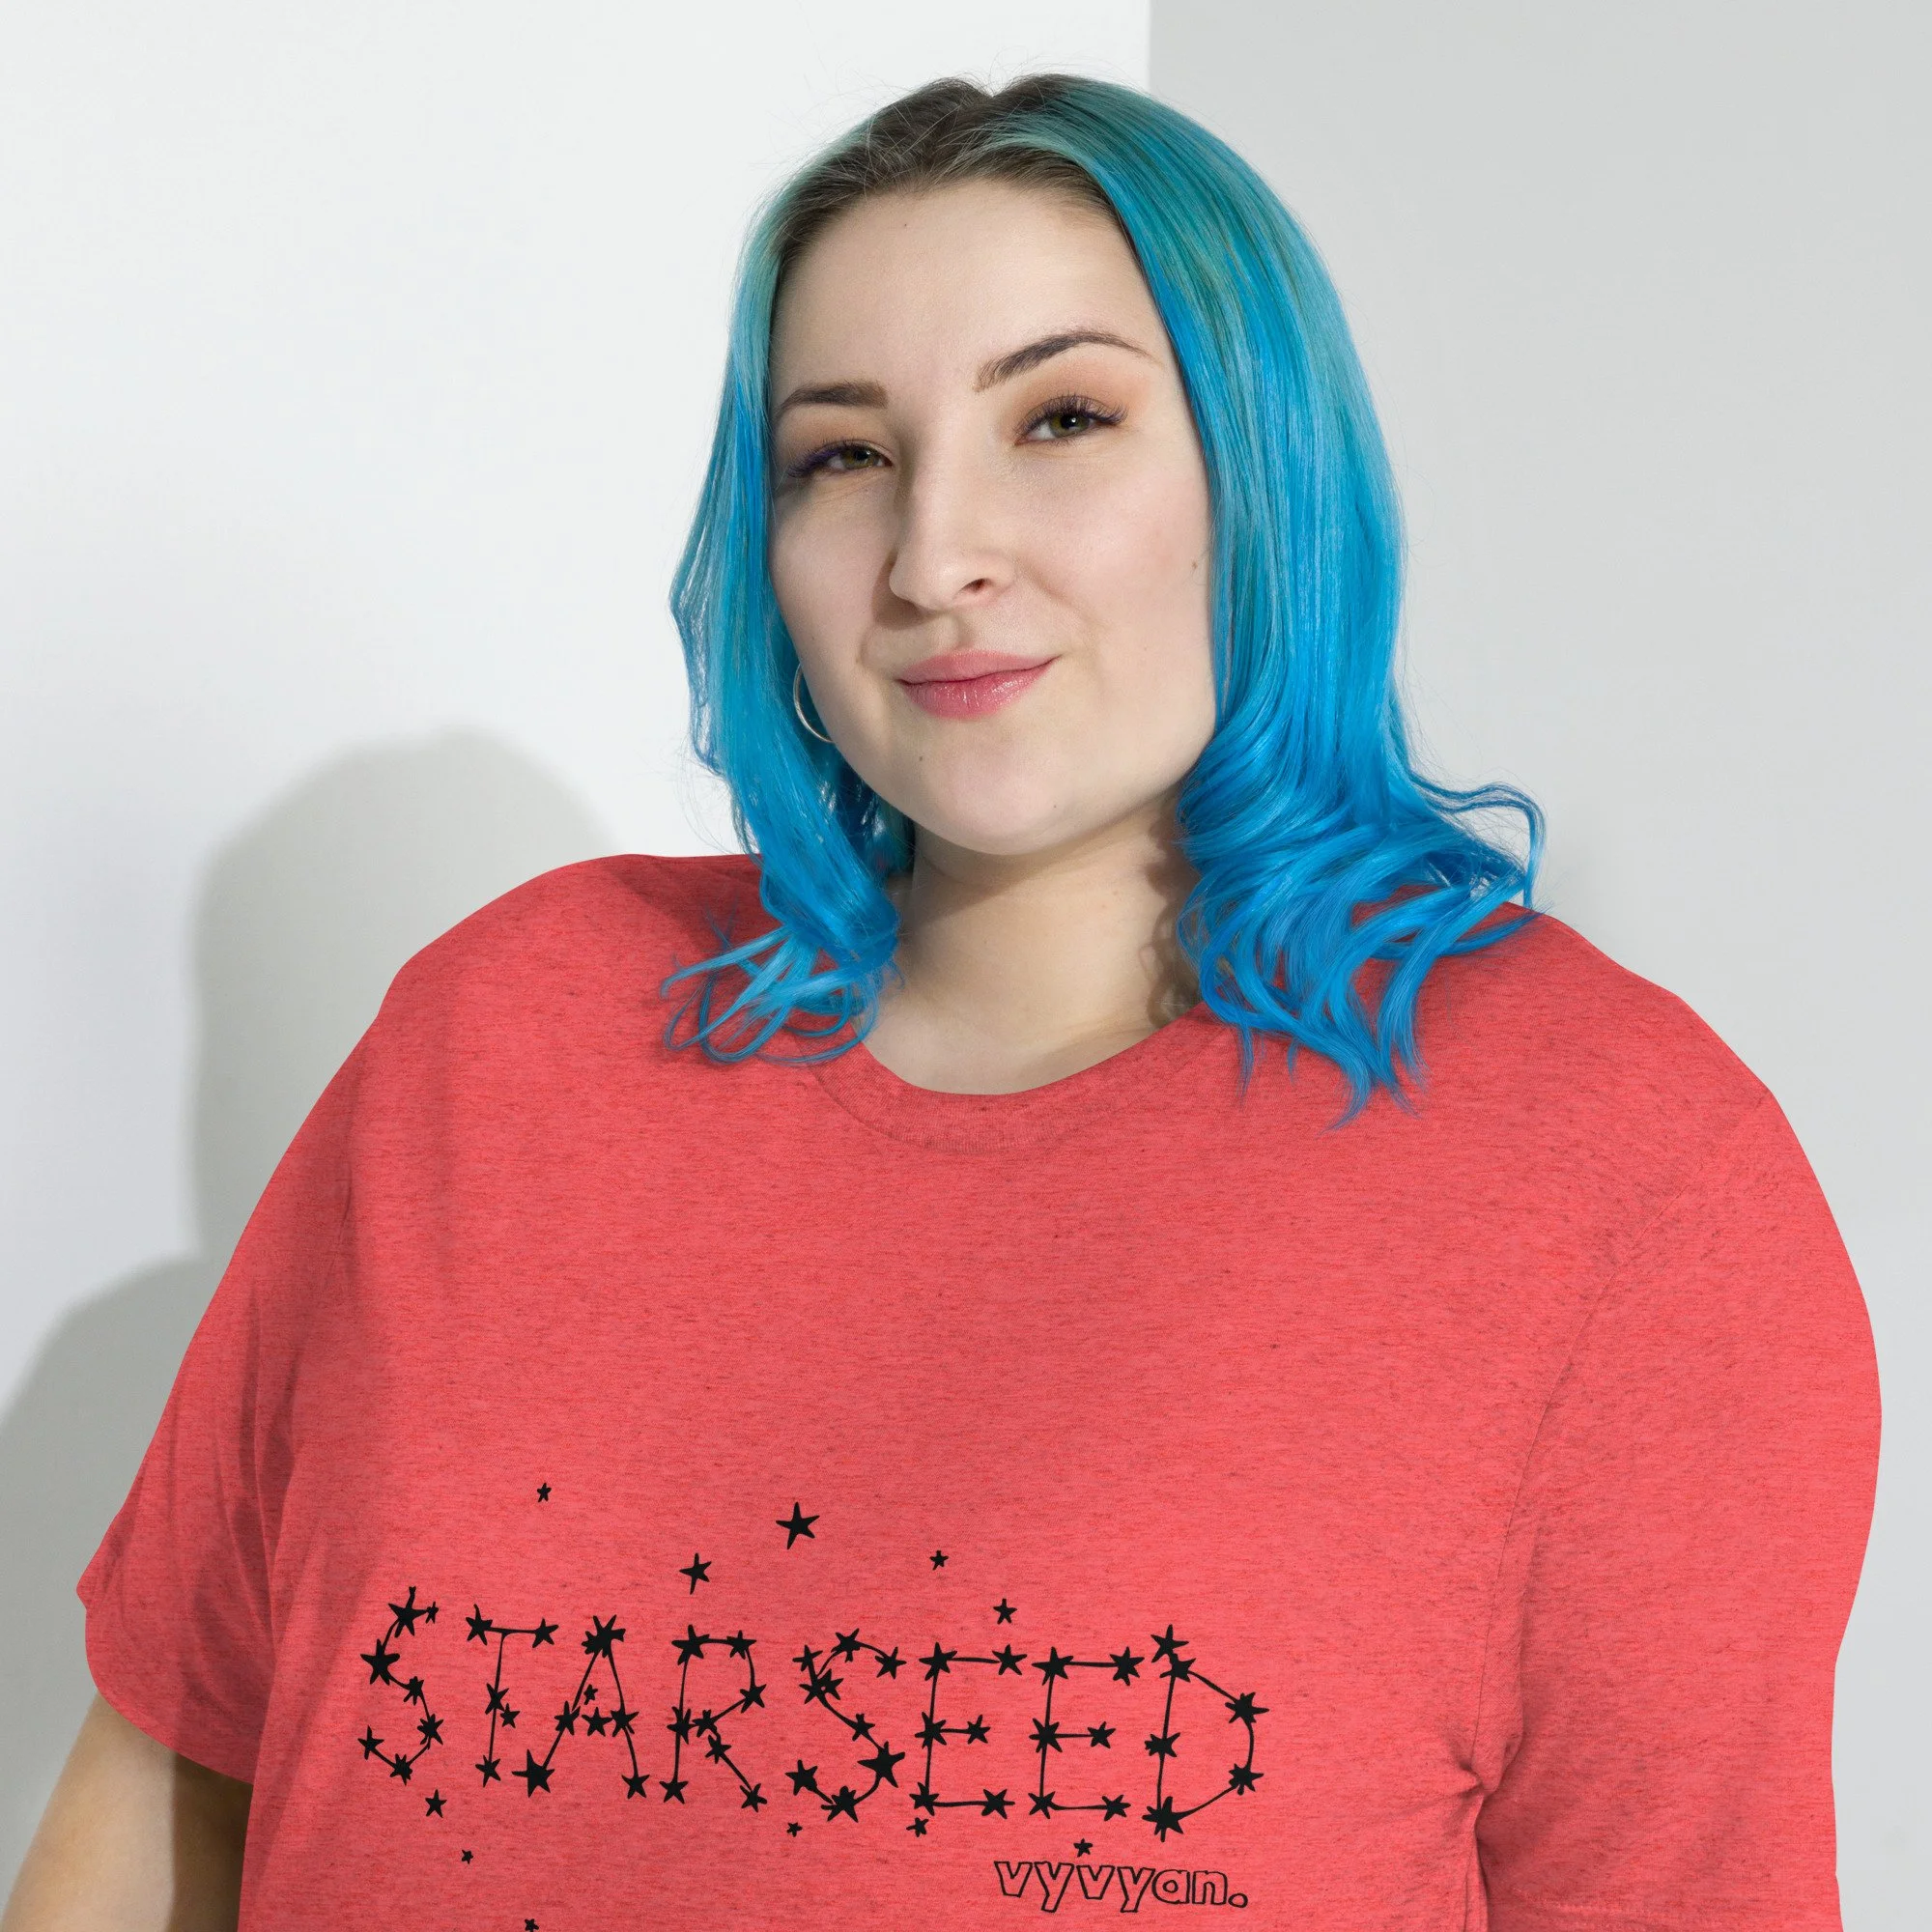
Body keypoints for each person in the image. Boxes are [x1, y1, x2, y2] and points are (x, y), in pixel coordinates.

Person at [5, 73, 1879, 1932]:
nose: (933, 558)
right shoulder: (498, 1042)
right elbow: (173, 1788)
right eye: (842, 455)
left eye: (1060, 418)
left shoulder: (1615, 1182)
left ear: (1270, 471)